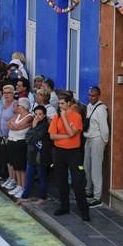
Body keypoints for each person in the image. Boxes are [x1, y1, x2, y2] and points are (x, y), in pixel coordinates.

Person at [49, 92, 90, 221]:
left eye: (62, 103)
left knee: (78, 182)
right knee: (61, 180)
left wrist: (65, 119)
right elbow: (52, 136)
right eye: (59, 103)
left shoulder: (76, 116)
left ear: (68, 103)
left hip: (73, 153)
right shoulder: (56, 117)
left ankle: (84, 210)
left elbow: (72, 132)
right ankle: (64, 206)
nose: (60, 105)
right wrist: (67, 136)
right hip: (59, 152)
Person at [18, 105, 51, 205]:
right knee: (29, 176)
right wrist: (33, 127)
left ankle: (43, 197)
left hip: (41, 155)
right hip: (31, 155)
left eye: (40, 114)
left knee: (42, 177)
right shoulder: (34, 124)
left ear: (44, 115)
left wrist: (34, 127)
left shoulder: (46, 126)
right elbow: (27, 138)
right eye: (36, 114)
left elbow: (36, 137)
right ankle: (25, 196)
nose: (37, 116)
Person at [83, 86, 109, 207]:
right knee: (86, 166)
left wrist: (104, 141)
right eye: (89, 95)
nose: (90, 97)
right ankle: (88, 190)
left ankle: (97, 196)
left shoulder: (101, 109)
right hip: (88, 138)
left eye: (93, 95)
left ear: (98, 96)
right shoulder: (89, 106)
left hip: (97, 139)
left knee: (96, 168)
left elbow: (104, 127)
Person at [6, 98, 33, 198]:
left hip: (20, 142)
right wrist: (15, 126)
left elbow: (16, 127)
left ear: (23, 107)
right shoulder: (17, 115)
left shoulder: (29, 116)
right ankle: (18, 184)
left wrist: (15, 126)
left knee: (21, 166)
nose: (16, 107)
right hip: (12, 140)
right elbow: (9, 124)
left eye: (18, 106)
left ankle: (23, 186)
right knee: (14, 164)